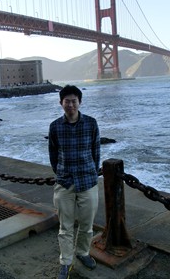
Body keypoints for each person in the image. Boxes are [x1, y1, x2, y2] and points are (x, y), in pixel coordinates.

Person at [48, 85, 101, 279]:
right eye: (67, 101)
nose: (70, 104)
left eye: (74, 101)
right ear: (61, 103)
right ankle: (66, 261)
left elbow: (96, 151)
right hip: (65, 183)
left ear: (80, 102)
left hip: (88, 181)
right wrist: (61, 173)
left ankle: (83, 253)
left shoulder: (91, 123)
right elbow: (53, 154)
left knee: (87, 225)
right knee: (65, 227)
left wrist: (93, 173)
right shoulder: (55, 126)